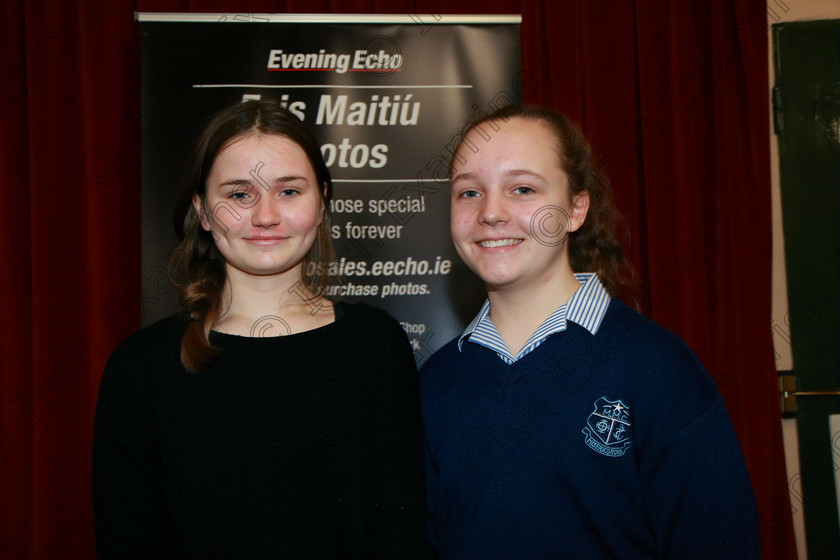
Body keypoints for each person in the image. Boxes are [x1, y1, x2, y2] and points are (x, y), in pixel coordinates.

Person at [420, 105, 761, 559]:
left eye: (522, 188)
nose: (491, 213)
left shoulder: (659, 370)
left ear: (576, 208)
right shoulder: (435, 384)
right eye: (468, 193)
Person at [92, 100, 425, 559]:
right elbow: (127, 540)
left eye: (289, 191)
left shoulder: (375, 346)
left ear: (323, 201)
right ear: (204, 212)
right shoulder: (142, 367)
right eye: (239, 194)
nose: (265, 216)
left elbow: (399, 532)